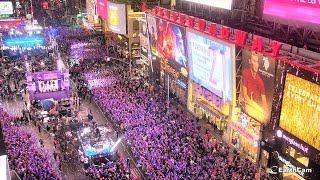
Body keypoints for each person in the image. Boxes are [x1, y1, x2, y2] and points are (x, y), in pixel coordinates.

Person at [241, 52, 268, 118]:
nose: (256, 64)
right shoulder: (245, 73)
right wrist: (253, 108)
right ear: (250, 61)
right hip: (248, 106)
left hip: (256, 110)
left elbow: (264, 103)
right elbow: (245, 95)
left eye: (257, 62)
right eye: (254, 61)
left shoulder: (260, 81)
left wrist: (265, 114)